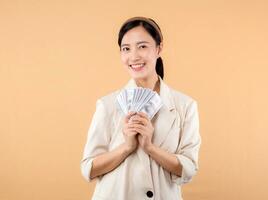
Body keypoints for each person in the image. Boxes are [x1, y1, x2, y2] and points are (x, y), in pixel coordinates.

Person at [80, 16, 201, 200]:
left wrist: (150, 147)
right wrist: (127, 147)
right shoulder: (107, 105)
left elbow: (189, 168)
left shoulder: (185, 106)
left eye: (142, 46)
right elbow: (89, 168)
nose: (134, 56)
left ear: (159, 48)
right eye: (126, 49)